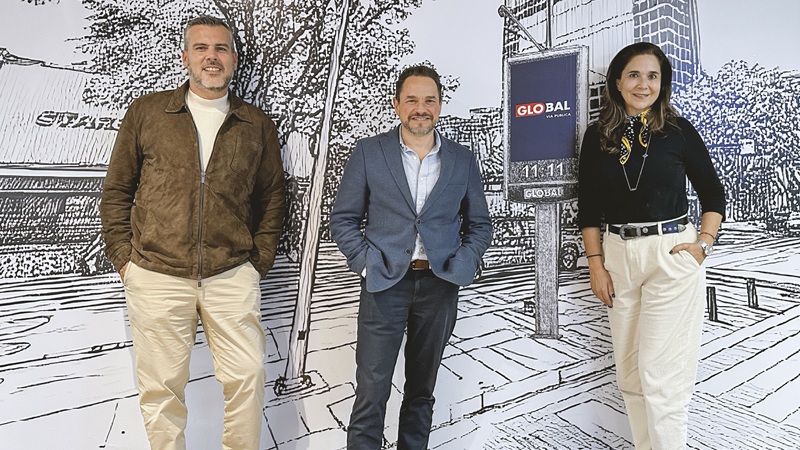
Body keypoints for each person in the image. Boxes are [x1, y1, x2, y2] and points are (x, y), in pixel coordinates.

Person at [99, 15, 285, 450]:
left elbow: (273, 197)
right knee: (161, 389)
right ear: (186, 57)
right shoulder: (147, 112)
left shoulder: (256, 124)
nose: (211, 57)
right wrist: (125, 260)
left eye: (221, 48)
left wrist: (257, 263)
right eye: (201, 48)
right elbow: (117, 189)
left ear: (234, 59)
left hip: (230, 272)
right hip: (156, 272)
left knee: (248, 375)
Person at [330, 65, 493, 449]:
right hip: (384, 285)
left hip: (438, 286)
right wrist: (366, 264)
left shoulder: (462, 159)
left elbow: (480, 224)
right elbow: (343, 220)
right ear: (397, 104)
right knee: (371, 392)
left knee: (421, 391)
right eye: (412, 100)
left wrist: (463, 263)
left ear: (440, 105)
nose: (421, 108)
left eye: (429, 100)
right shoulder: (369, 152)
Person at [578, 42, 725, 449]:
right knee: (630, 377)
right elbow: (588, 207)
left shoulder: (678, 131)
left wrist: (702, 245)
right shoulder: (597, 136)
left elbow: (713, 194)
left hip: (671, 254)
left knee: (662, 380)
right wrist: (596, 265)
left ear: (663, 84)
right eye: (634, 75)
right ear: (617, 82)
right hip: (617, 254)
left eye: (653, 76)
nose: (643, 84)